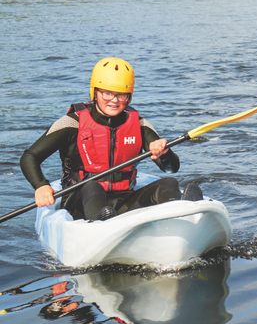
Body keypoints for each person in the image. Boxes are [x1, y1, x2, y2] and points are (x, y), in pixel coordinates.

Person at [20, 57, 198, 222]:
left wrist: (164, 153)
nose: (114, 100)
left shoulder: (139, 124)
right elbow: (29, 157)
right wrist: (40, 185)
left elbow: (171, 168)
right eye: (107, 93)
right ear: (95, 92)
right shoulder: (72, 123)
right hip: (79, 202)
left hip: (124, 201)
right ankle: (103, 223)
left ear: (129, 96)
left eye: (121, 95)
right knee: (91, 186)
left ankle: (182, 214)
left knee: (169, 184)